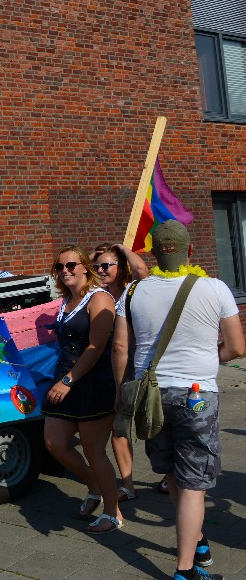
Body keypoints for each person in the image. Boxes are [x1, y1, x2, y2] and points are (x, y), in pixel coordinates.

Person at [113, 220, 244, 580]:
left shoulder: (133, 292)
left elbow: (122, 348)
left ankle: (198, 540)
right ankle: (185, 571)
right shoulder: (215, 289)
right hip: (196, 395)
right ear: (190, 251)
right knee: (193, 485)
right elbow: (236, 347)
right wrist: (205, 358)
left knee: (173, 474)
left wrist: (124, 393)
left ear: (153, 252)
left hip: (149, 393)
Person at [41, 245, 122, 535]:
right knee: (55, 443)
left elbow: (97, 346)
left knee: (93, 450)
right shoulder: (66, 301)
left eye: (72, 265)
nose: (65, 271)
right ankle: (93, 487)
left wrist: (68, 380)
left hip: (91, 382)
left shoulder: (99, 298)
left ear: (85, 267)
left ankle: (113, 513)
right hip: (65, 378)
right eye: (60, 267)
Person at [91, 242, 149, 503]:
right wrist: (96, 259)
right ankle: (127, 483)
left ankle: (169, 476)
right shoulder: (96, 294)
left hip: (139, 365)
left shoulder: (135, 290)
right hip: (109, 368)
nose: (100, 270)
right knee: (119, 426)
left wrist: (123, 249)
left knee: (152, 424)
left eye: (106, 266)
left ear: (120, 267)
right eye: (97, 267)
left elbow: (142, 270)